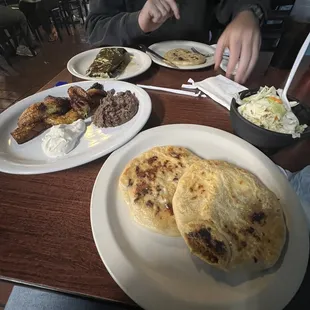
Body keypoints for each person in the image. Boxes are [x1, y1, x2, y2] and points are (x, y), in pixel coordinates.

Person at [86, 0, 269, 84]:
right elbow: (95, 30)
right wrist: (138, 21)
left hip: (204, 75)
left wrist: (248, 12)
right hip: (133, 75)